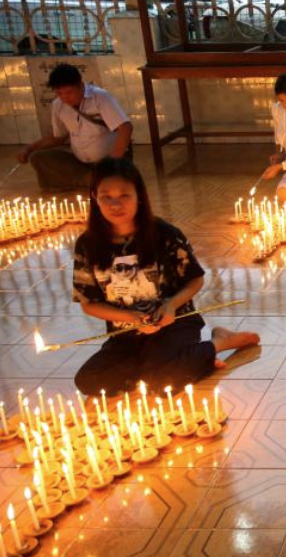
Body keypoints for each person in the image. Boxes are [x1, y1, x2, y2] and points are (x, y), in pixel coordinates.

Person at [72, 158, 260, 395]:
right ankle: (181, 363)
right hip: (126, 335)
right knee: (89, 380)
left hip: (175, 324)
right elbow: (89, 304)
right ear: (94, 197)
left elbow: (195, 279)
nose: (115, 204)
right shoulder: (88, 244)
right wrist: (129, 316)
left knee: (161, 382)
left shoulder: (164, 234)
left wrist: (170, 305)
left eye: (124, 195)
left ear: (139, 195)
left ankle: (219, 342)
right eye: (106, 196)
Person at [17, 64, 133, 192]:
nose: (65, 97)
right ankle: (93, 180)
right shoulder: (58, 105)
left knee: (112, 174)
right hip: (80, 163)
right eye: (59, 93)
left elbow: (126, 128)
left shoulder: (100, 97)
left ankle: (94, 179)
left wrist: (113, 162)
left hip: (109, 161)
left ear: (80, 84)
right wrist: (29, 148)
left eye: (69, 92)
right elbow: (58, 138)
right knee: (38, 158)